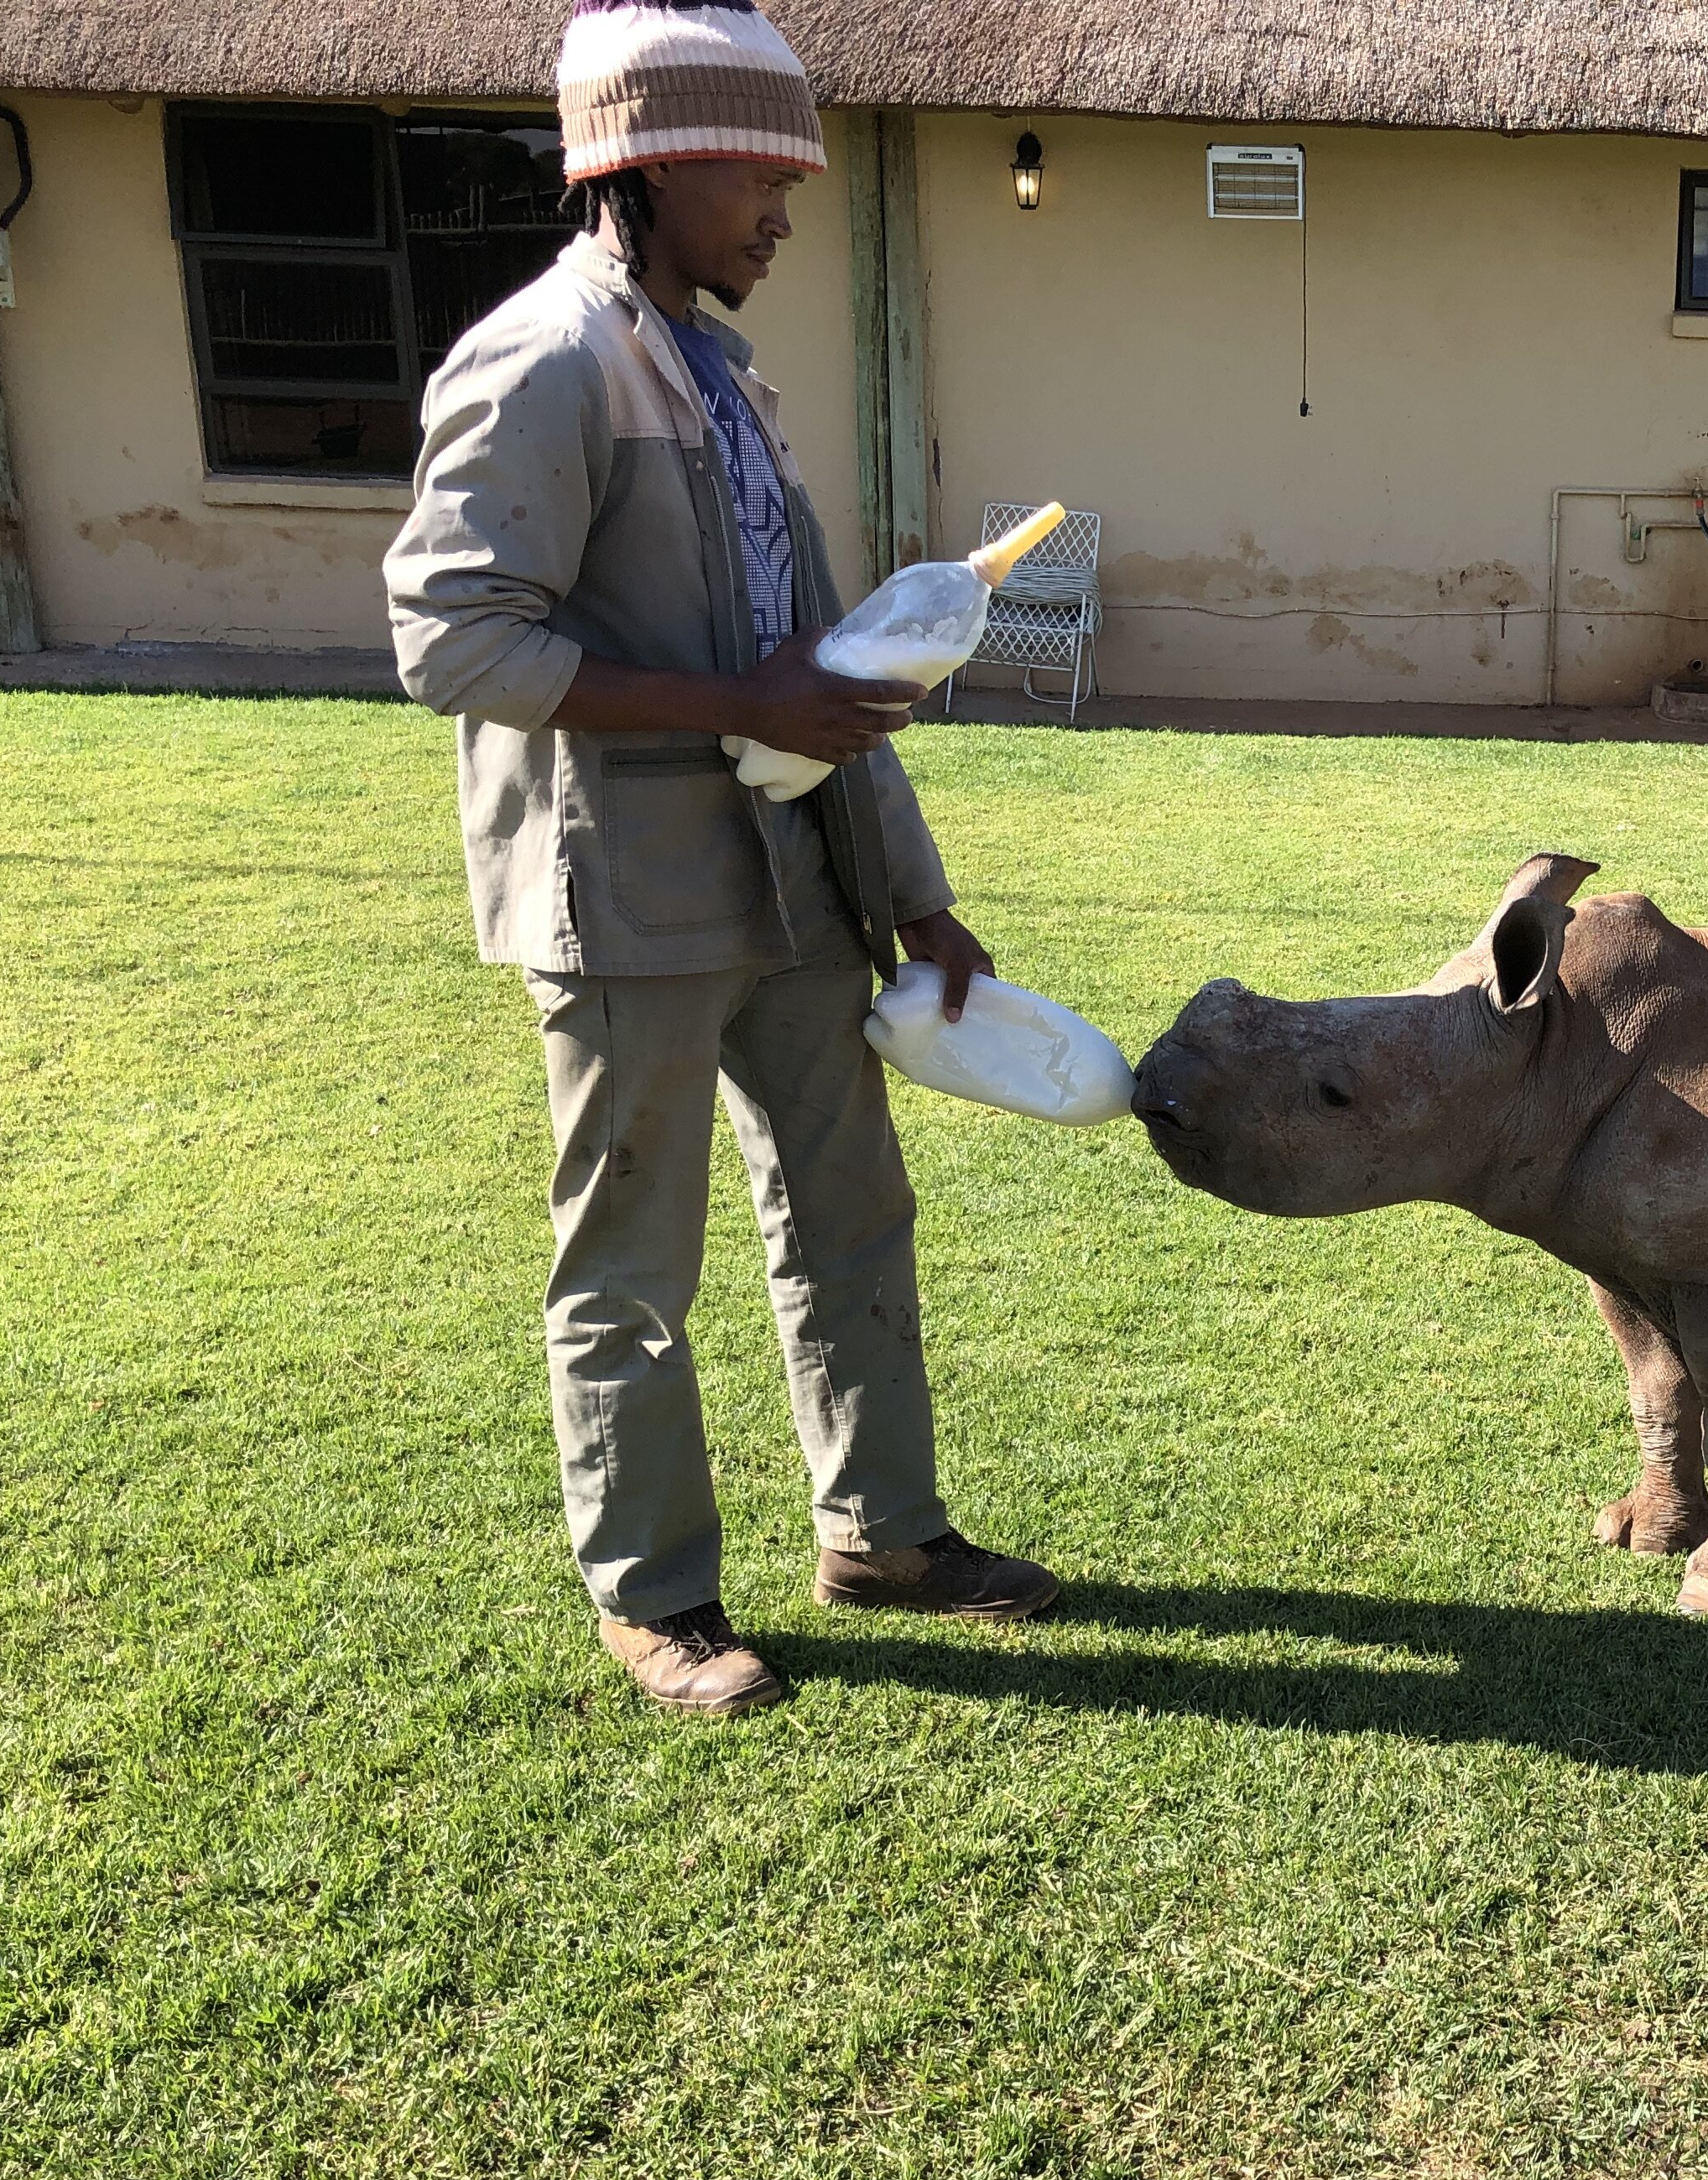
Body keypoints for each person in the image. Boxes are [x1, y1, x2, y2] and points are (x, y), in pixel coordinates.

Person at [384, 0, 1056, 1717]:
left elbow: (827, 671)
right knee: (630, 1274)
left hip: (805, 895)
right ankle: (656, 1598)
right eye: (761, 171)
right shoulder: (540, 363)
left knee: (853, 1220)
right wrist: (731, 700)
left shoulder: (726, 375)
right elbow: (454, 641)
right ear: (648, 163)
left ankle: (887, 1533)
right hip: (631, 901)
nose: (784, 209)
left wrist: (914, 888)